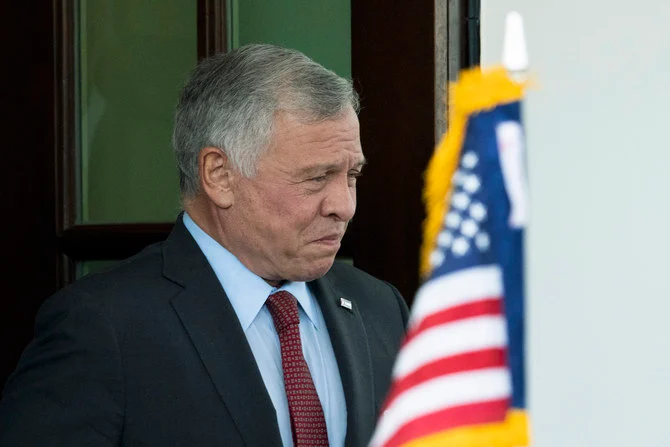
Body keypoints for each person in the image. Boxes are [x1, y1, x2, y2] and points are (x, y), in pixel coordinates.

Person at [0, 44, 409, 446]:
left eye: (351, 175)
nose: (344, 206)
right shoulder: (102, 328)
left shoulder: (380, 307)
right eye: (316, 178)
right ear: (219, 175)